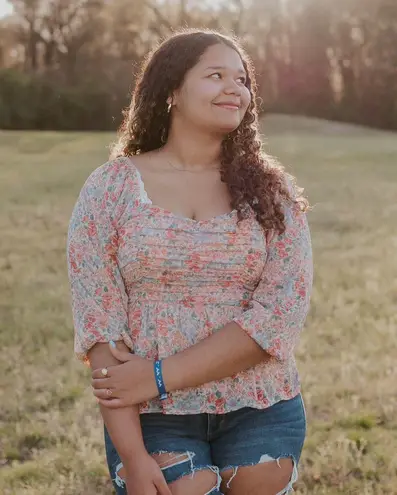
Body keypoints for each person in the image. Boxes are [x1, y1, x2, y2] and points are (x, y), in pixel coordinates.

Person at [67, 29, 313, 495]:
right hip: (154, 419)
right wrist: (134, 458)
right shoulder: (110, 188)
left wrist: (157, 376)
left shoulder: (273, 191)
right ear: (172, 91)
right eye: (215, 75)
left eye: (241, 79)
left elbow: (278, 318)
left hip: (261, 405)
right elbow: (101, 330)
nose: (234, 88)